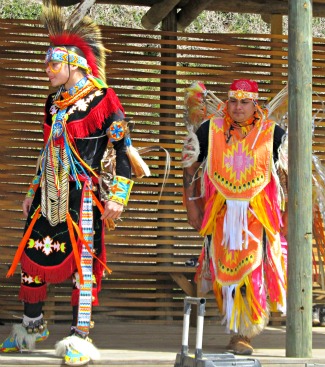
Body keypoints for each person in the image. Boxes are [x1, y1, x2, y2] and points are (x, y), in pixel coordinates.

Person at [0, 1, 137, 365]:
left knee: (84, 266)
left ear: (75, 63)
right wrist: (32, 190)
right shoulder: (52, 104)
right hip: (49, 192)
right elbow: (47, 150)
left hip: (85, 195)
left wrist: (118, 198)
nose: (47, 70)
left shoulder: (104, 99)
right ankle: (31, 327)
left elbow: (124, 151)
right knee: (33, 258)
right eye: (47, 63)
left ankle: (79, 337)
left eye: (53, 63)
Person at [183, 79, 288, 355]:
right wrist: (192, 205)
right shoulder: (210, 130)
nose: (238, 107)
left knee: (252, 270)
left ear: (255, 104)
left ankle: (245, 334)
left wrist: (289, 213)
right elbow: (190, 167)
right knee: (224, 271)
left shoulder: (273, 133)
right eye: (233, 101)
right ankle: (234, 329)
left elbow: (288, 177)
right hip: (221, 214)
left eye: (244, 102)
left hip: (258, 215)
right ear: (227, 102)